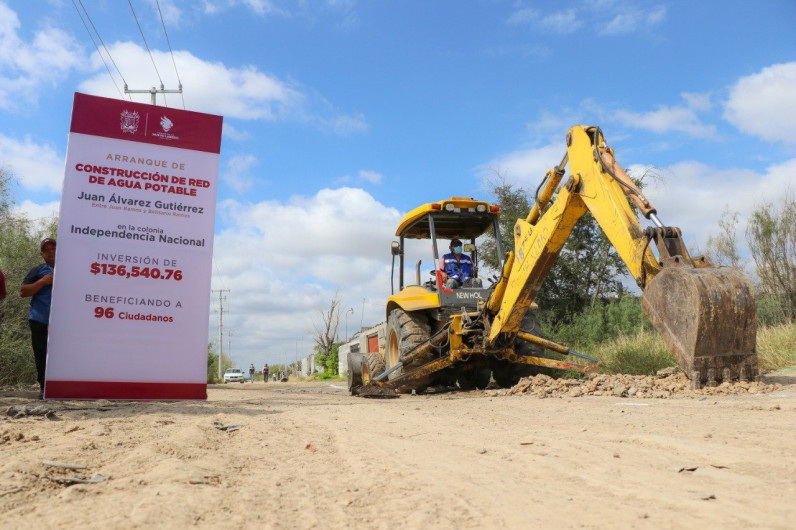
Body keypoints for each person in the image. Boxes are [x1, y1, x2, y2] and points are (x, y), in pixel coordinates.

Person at [20, 238, 56, 398]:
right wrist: (42, 282)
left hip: (62, 321)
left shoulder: (70, 269)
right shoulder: (37, 270)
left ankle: (62, 386)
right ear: (42, 254)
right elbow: (23, 292)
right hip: (39, 319)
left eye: (53, 248)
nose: (50, 252)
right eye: (46, 250)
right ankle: (44, 387)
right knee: (41, 354)